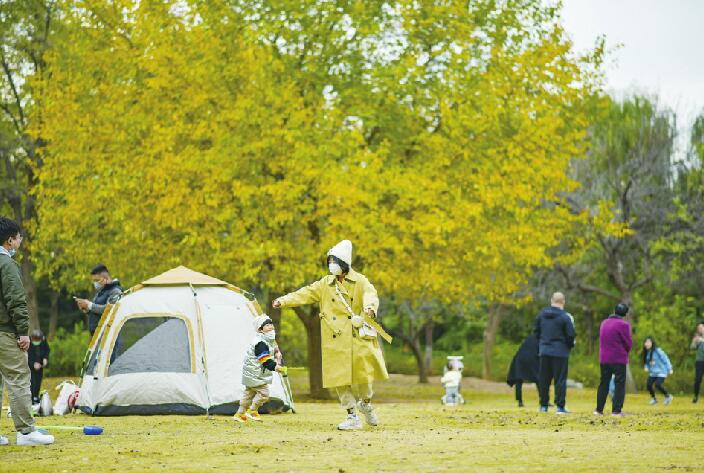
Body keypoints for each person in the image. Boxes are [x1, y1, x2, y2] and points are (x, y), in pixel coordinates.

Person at [273, 240, 390, 431]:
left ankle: (366, 403)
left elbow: (371, 294)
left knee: (364, 375)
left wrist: (369, 309)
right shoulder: (325, 284)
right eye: (329, 260)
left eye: (334, 260)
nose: (331, 264)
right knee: (339, 379)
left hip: (357, 336)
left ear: (344, 263)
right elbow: (305, 293)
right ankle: (351, 415)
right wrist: (283, 301)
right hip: (335, 338)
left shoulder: (360, 281)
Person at [0, 217, 54, 446]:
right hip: (5, 332)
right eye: (19, 237)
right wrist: (23, 332)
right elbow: (16, 300)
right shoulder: (7, 264)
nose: (20, 240)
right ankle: (25, 432)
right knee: (19, 378)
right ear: (10, 240)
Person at [233, 315, 287, 423]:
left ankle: (239, 414)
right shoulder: (260, 342)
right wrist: (276, 367)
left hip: (251, 373)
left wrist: (279, 357)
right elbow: (264, 360)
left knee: (248, 394)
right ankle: (252, 410)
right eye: (267, 325)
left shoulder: (269, 340)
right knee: (264, 394)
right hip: (255, 373)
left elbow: (275, 350)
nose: (271, 327)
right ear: (260, 329)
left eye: (271, 324)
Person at [534, 292, 576, 414]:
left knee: (544, 379)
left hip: (544, 351)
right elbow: (571, 335)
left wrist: (542, 343)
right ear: (563, 302)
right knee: (560, 380)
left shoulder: (541, 315)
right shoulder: (565, 317)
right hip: (560, 352)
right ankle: (560, 406)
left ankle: (543, 405)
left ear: (551, 300)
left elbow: (536, 331)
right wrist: (569, 346)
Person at [594, 303, 633, 417]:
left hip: (604, 358)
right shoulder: (624, 324)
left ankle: (598, 410)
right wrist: (625, 352)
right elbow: (628, 343)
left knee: (603, 383)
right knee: (619, 384)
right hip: (619, 358)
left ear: (614, 311)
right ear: (625, 314)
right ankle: (616, 411)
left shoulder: (604, 322)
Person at [75, 264, 122, 336]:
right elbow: (97, 312)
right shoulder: (101, 292)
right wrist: (87, 309)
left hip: (108, 336)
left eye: (97, 280)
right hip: (97, 336)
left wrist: (89, 305)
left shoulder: (116, 291)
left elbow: (109, 310)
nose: (95, 283)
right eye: (94, 281)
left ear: (106, 278)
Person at [506, 333, 540, 407]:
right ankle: (543, 399)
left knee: (519, 379)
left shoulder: (530, 337)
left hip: (520, 358)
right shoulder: (542, 338)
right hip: (530, 358)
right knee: (539, 378)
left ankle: (520, 401)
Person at [642, 337, 673, 405]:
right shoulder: (646, 352)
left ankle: (668, 396)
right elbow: (646, 363)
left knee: (658, 384)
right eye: (646, 342)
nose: (647, 344)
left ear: (652, 343)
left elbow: (665, 359)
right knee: (649, 385)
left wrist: (669, 368)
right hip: (653, 372)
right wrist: (646, 367)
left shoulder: (657, 350)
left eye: (648, 342)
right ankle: (654, 399)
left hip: (661, 371)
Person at [28, 329, 50, 405]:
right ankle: (30, 399)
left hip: (40, 366)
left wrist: (45, 358)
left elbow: (47, 350)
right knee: (31, 382)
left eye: (38, 339)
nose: (36, 340)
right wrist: (33, 364)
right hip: (30, 366)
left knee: (38, 381)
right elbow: (25, 356)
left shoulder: (43, 340)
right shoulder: (28, 342)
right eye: (35, 339)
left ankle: (35, 397)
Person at [691, 321, 704, 403]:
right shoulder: (697, 337)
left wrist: (702, 340)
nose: (699, 329)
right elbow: (692, 347)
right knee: (697, 379)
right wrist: (694, 342)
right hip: (699, 361)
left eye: (701, 327)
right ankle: (695, 396)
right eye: (698, 328)